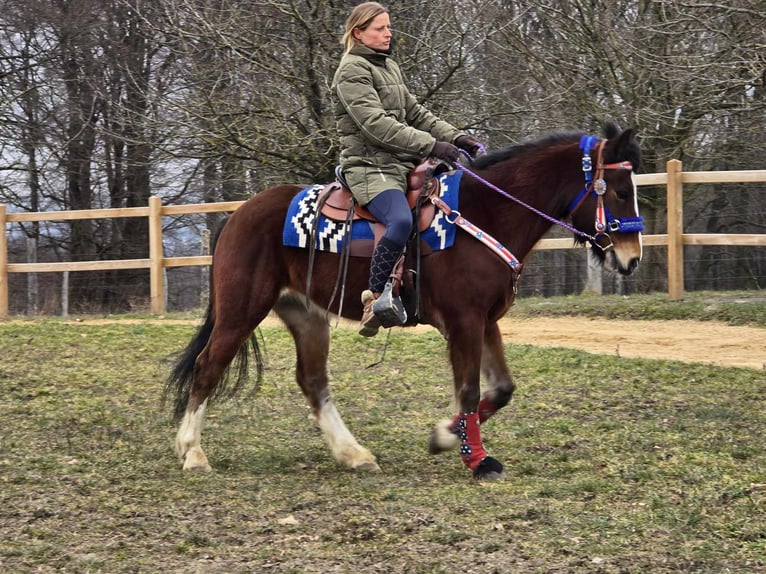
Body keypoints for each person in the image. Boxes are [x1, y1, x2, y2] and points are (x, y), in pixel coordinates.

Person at [332, 2, 484, 337]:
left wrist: (457, 137)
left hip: (401, 164)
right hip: (370, 167)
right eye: (379, 28)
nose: (388, 34)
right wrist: (431, 146)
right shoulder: (352, 71)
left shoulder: (388, 66)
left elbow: (415, 114)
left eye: (388, 27)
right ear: (358, 33)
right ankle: (374, 298)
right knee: (400, 220)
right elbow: (376, 125)